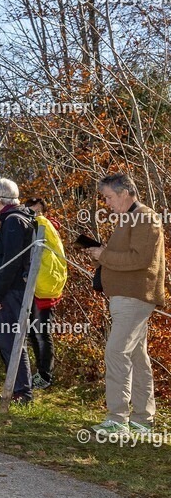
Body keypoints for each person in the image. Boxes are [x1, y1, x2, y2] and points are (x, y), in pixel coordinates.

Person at [87, 174, 163, 435]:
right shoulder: (131, 217)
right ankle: (143, 420)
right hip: (127, 295)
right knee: (136, 357)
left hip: (134, 296)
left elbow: (140, 259)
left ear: (125, 192)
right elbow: (129, 256)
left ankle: (118, 419)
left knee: (116, 352)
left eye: (108, 197)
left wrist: (103, 254)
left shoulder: (144, 217)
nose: (106, 203)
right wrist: (102, 252)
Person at [0, 179, 34, 404]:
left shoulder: (14, 221)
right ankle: (15, 390)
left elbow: (10, 263)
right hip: (12, 290)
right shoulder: (15, 219)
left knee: (11, 340)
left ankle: (22, 393)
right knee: (8, 340)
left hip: (11, 291)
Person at [24, 197, 67, 389]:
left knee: (42, 332)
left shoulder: (47, 229)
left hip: (44, 288)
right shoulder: (28, 228)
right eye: (31, 210)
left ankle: (45, 375)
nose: (36, 214)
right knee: (33, 332)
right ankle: (38, 372)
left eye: (39, 211)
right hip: (32, 287)